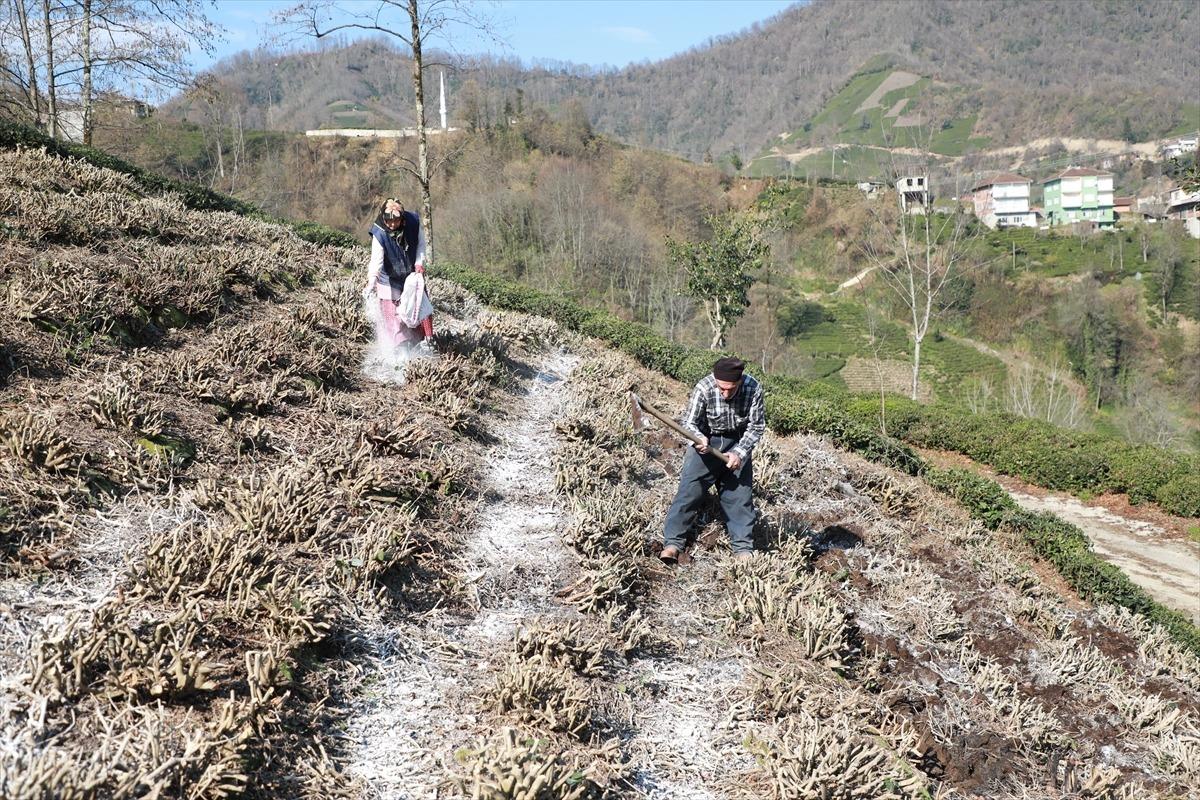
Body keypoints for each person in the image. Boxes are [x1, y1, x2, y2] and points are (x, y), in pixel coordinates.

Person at [660, 357, 766, 565]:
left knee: (739, 497)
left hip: (737, 442)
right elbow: (689, 422)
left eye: (731, 389)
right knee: (689, 492)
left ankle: (743, 548)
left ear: (740, 381)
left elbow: (756, 426)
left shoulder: (753, 388)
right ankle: (672, 543)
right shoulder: (704, 387)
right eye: (722, 388)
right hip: (707, 442)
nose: (726, 394)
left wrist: (740, 452)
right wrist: (698, 437)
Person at [363, 198, 432, 346]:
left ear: (403, 218)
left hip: (411, 273)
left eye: (396, 220)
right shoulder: (379, 234)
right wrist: (372, 280)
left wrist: (419, 263)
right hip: (388, 278)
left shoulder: (413, 222)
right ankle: (399, 346)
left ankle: (423, 342)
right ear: (383, 218)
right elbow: (376, 260)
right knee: (393, 315)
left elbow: (420, 245)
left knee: (419, 307)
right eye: (389, 221)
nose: (392, 224)